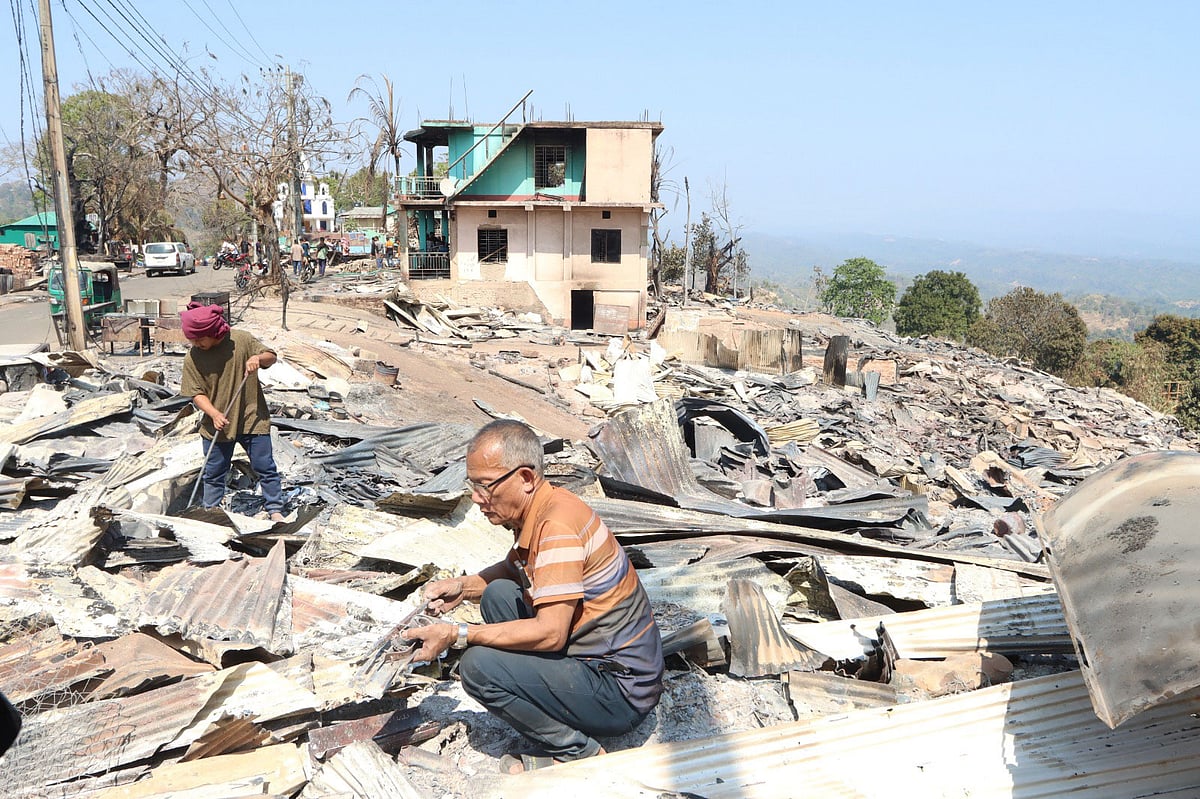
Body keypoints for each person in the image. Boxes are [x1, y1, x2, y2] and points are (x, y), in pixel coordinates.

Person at [404, 420, 664, 774]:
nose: (478, 499)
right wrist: (463, 587)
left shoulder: (557, 528)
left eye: (485, 487)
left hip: (621, 693)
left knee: (478, 667)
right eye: (472, 485)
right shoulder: (544, 509)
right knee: (498, 594)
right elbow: (514, 570)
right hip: (594, 659)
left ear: (525, 478)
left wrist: (457, 634)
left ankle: (578, 752)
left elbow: (551, 633)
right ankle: (556, 699)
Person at [179, 302, 286, 522]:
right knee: (214, 472)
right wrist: (214, 413)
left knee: (264, 466)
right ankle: (211, 511)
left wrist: (258, 358)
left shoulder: (242, 340)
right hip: (217, 424)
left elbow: (271, 356)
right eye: (192, 340)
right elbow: (196, 393)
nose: (196, 343)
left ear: (212, 332)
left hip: (251, 419)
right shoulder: (194, 357)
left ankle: (275, 509)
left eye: (199, 339)